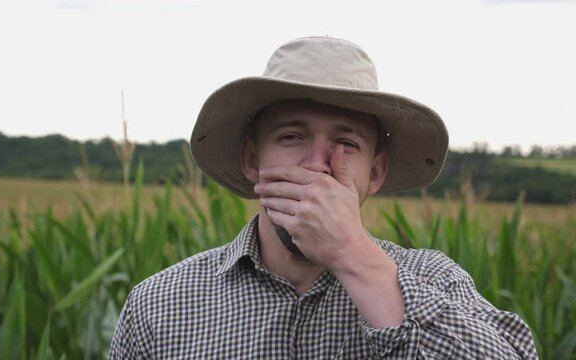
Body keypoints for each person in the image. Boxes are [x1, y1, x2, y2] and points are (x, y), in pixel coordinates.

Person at [109, 37, 538, 359]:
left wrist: (354, 256)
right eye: (292, 136)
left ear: (375, 173)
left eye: (346, 143)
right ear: (251, 160)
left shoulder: (435, 280)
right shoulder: (161, 304)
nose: (317, 164)